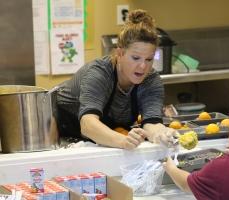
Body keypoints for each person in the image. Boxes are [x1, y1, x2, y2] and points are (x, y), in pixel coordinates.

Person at [55, 9, 176, 150]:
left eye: (149, 59)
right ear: (120, 53)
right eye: (135, 58)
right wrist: (123, 141)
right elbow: (88, 125)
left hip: (103, 139)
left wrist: (162, 134)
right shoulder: (99, 73)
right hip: (61, 134)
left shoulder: (151, 80)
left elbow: (152, 122)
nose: (143, 66)